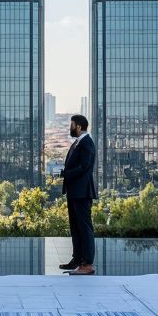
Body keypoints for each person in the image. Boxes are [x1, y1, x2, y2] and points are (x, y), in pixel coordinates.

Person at [59, 114, 97, 275]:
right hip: (75, 192)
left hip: (82, 192)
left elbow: (84, 166)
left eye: (72, 125)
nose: (70, 127)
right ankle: (77, 259)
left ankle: (87, 264)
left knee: (85, 228)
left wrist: (66, 174)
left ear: (79, 126)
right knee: (75, 227)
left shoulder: (87, 143)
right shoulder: (78, 142)